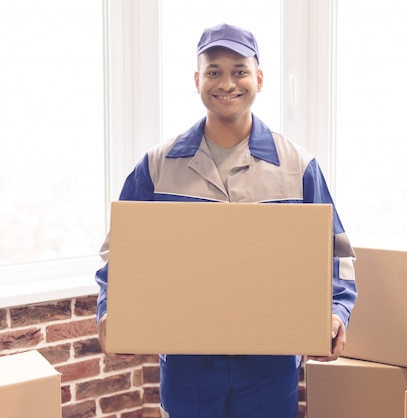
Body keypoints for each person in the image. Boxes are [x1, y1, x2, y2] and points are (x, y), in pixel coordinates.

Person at [94, 23, 358, 418]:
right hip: (187, 363)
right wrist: (109, 311)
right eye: (214, 71)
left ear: (260, 79)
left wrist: (337, 312)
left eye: (239, 70)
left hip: (271, 363)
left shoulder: (298, 166)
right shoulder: (157, 166)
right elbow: (121, 253)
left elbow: (336, 253)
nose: (227, 82)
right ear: (197, 79)